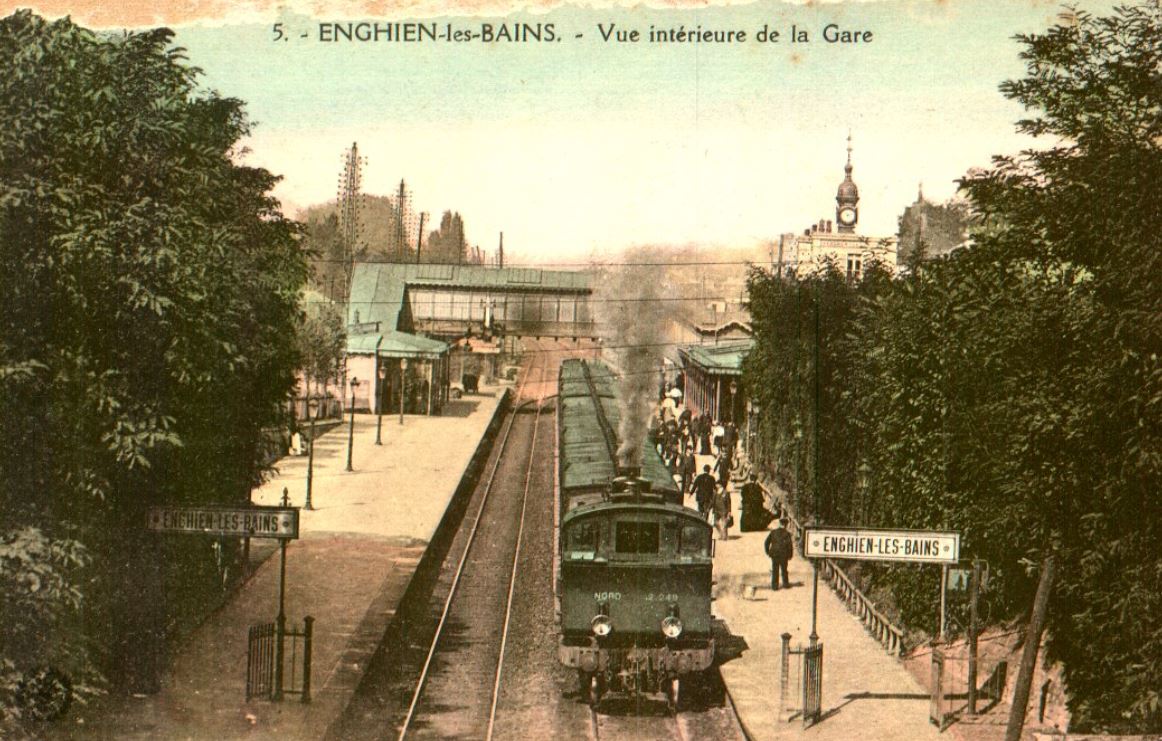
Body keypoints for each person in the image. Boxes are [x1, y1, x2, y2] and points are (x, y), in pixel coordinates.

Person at [765, 518, 794, 590]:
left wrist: (768, 552)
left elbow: (766, 542)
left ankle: (774, 586)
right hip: (784, 554)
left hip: (774, 554)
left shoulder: (773, 532)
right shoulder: (787, 534)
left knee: (775, 570)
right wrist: (790, 555)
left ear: (780, 524)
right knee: (784, 569)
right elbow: (789, 545)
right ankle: (785, 584)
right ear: (786, 525)